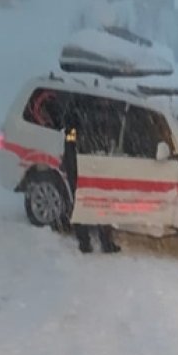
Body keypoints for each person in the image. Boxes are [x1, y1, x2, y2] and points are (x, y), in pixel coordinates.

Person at [64, 103, 120, 254]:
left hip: (94, 165)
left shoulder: (94, 118)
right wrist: (73, 166)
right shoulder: (76, 121)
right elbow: (70, 144)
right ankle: (86, 242)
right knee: (84, 205)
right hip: (82, 167)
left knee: (98, 204)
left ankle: (99, 241)